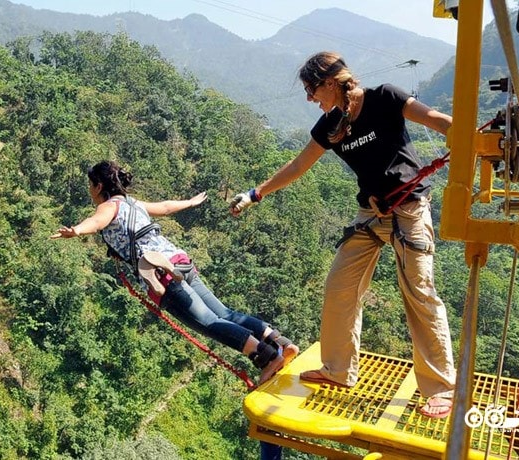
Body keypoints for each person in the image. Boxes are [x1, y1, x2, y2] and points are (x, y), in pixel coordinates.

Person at [229, 51, 456, 418]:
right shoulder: (331, 126)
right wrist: (256, 194)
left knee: (418, 291)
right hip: (370, 213)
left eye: (311, 89)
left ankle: (442, 388)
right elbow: (298, 165)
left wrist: (467, 136)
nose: (309, 99)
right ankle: (338, 370)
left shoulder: (385, 97)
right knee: (339, 287)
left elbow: (436, 120)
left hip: (409, 209)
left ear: (330, 82)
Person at [51, 160, 298, 384]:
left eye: (90, 185)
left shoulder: (108, 206)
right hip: (179, 261)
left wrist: (76, 230)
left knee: (210, 323)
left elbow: (96, 222)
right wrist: (189, 202)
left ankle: (266, 358)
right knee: (224, 312)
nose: (89, 190)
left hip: (161, 272)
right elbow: (166, 207)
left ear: (99, 185)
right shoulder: (132, 203)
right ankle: (280, 343)